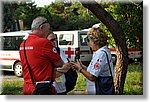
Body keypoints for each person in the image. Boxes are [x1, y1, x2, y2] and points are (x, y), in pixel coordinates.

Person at [19, 16, 65, 95]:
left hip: (28, 86)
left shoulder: (23, 44)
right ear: (42, 27)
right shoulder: (43, 42)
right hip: (43, 88)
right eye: (48, 29)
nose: (48, 32)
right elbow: (59, 63)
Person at [71, 27, 114, 95]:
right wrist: (82, 66)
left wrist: (80, 69)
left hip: (99, 90)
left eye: (90, 41)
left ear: (95, 41)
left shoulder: (101, 54)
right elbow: (93, 70)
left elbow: (92, 77)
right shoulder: (101, 52)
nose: (89, 44)